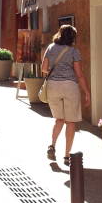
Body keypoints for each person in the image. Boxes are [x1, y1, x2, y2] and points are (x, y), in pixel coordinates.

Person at [41, 24, 90, 167]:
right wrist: (86, 92)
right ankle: (67, 156)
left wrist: (55, 71)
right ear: (73, 37)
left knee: (59, 120)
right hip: (70, 86)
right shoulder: (74, 51)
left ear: (59, 34)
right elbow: (79, 75)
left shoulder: (50, 48)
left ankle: (52, 145)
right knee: (71, 122)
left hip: (53, 86)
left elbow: (44, 69)